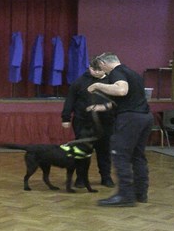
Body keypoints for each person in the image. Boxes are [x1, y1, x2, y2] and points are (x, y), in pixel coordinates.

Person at [87, 52, 153, 207]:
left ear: (103, 63)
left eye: (100, 66)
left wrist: (97, 85)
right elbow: (126, 99)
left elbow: (121, 90)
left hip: (130, 119)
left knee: (119, 154)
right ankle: (140, 193)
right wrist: (102, 107)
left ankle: (125, 195)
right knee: (138, 156)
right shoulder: (132, 73)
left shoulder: (117, 72)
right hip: (145, 117)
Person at [61, 59, 115, 189]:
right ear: (89, 67)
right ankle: (80, 178)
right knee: (81, 151)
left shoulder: (112, 81)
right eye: (93, 69)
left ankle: (106, 177)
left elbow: (117, 101)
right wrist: (66, 118)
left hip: (105, 122)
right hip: (82, 121)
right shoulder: (79, 81)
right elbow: (70, 100)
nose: (96, 72)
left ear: (105, 68)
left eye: (99, 70)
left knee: (104, 150)